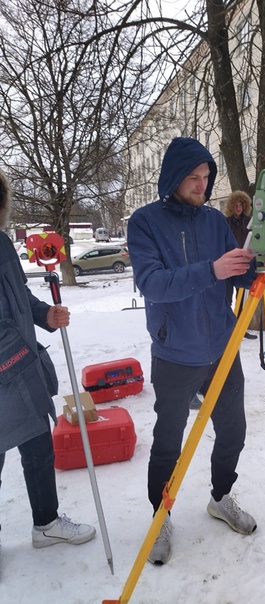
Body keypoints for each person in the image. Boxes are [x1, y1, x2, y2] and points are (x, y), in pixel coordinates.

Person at [127, 137, 257, 566]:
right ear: (173, 177)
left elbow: (234, 275)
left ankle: (220, 497)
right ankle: (160, 513)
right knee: (168, 441)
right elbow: (153, 282)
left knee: (233, 431)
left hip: (221, 347)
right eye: (193, 177)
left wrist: (259, 265)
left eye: (207, 177)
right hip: (175, 352)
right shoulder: (145, 222)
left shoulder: (213, 222)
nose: (202, 185)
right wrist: (212, 270)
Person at [0, 169, 96, 550]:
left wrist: (45, 316)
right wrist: (18, 356)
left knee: (39, 445)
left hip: (20, 368)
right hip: (10, 366)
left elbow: (19, 294)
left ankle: (46, 523)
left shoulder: (3, 245)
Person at [224, 190, 257, 340]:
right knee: (226, 297)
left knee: (242, 297)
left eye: (241, 205)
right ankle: (227, 327)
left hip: (245, 262)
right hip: (229, 262)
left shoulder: (250, 221)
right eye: (236, 205)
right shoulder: (225, 222)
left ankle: (241, 327)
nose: (239, 208)